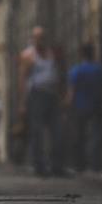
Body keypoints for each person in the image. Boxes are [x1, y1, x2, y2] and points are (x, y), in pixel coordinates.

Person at [18, 26, 64, 176]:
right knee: (37, 132)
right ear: (33, 39)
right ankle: (40, 167)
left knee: (57, 131)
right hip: (36, 95)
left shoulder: (52, 53)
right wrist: (23, 103)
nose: (40, 40)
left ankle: (57, 166)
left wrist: (61, 95)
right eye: (37, 37)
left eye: (42, 37)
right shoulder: (28, 55)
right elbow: (23, 79)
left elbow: (58, 74)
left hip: (52, 95)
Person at [67, 43, 102, 173]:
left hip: (80, 106)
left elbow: (72, 91)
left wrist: (67, 105)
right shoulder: (98, 70)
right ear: (93, 54)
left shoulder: (76, 70)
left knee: (79, 136)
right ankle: (96, 165)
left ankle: (80, 165)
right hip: (96, 106)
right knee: (97, 136)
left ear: (81, 55)